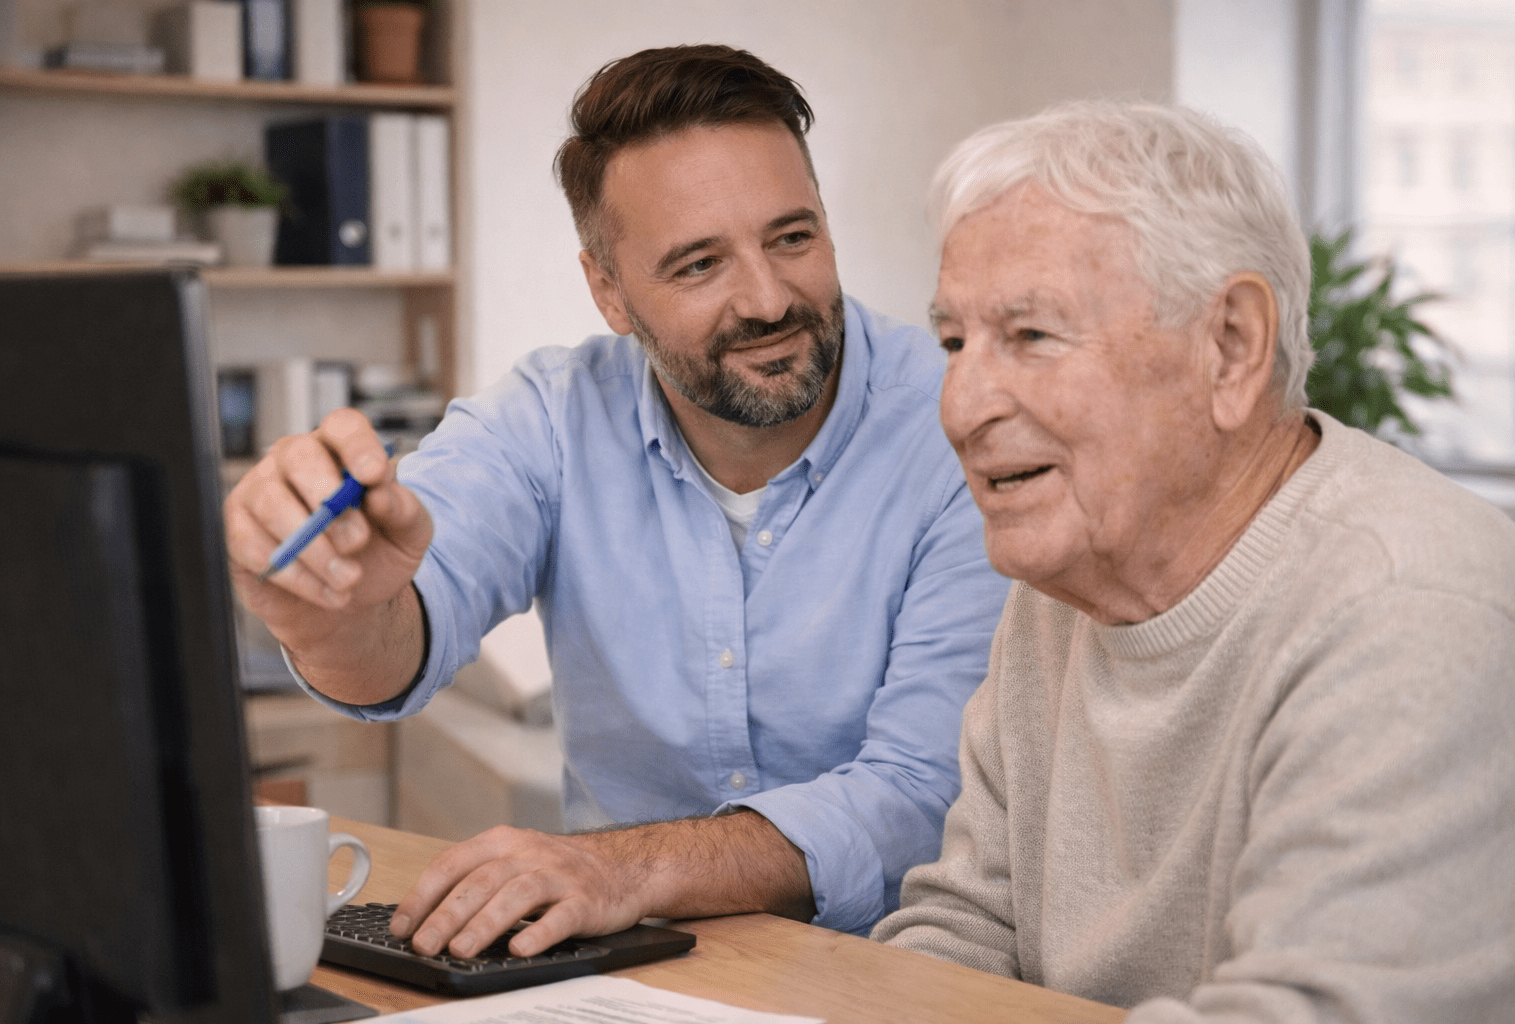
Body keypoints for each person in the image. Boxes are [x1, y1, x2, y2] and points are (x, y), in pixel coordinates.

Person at [224, 44, 1010, 961]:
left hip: (885, 975)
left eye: (792, 238)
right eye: (698, 264)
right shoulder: (549, 419)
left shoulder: (958, 429)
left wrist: (624, 871)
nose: (767, 298)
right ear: (610, 291)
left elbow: (924, 794)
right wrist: (328, 612)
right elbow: (392, 648)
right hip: (617, 981)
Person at [871, 101, 1515, 1021]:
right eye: (954, 342)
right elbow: (960, 929)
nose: (960, 405)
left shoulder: (1412, 605)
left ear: (1230, 348)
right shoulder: (1068, 583)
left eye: (1030, 337)